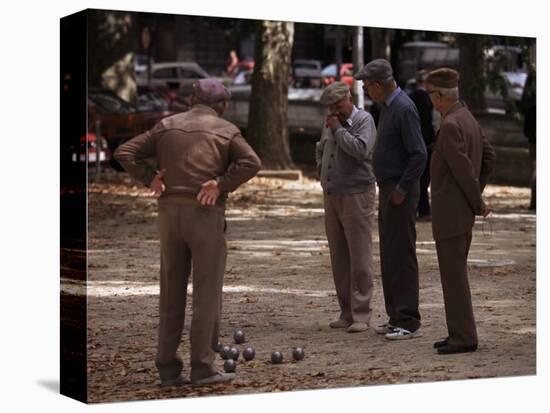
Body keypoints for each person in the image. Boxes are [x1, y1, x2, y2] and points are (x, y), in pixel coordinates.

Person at [114, 79, 261, 385]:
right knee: (206, 293)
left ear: (191, 100)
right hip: (204, 213)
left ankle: (167, 368)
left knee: (171, 291)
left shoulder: (166, 125)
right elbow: (251, 162)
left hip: (169, 215)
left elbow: (125, 152)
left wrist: (149, 178)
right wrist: (220, 183)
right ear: (222, 106)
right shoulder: (225, 129)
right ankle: (202, 367)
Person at [354, 59, 427, 340]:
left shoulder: (404, 108)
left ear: (378, 85)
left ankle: (408, 320)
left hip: (399, 191)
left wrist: (403, 188)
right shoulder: (388, 107)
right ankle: (396, 315)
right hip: (389, 188)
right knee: (390, 254)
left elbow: (419, 153)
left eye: (366, 86)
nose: (365, 90)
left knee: (402, 254)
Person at [426, 68, 496, 354]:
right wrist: (476, 194)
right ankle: (457, 332)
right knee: (454, 276)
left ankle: (464, 338)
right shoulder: (467, 118)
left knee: (454, 279)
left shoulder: (452, 124)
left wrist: (477, 202)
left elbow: (464, 171)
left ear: (440, 95)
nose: (430, 99)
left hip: (452, 214)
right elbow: (489, 157)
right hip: (459, 213)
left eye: (431, 94)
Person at [315, 82, 378, 333]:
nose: (334, 110)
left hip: (357, 193)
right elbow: (322, 149)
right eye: (331, 107)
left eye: (338, 105)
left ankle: (362, 313)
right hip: (333, 193)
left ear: (348, 99)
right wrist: (322, 171)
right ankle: (346, 311)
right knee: (339, 256)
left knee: (359, 255)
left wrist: (339, 129)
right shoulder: (331, 122)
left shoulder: (364, 120)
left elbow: (361, 149)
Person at [409, 69, 435, 221]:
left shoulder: (411, 97)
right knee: (424, 180)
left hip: (414, 141)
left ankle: (419, 208)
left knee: (418, 179)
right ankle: (423, 210)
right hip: (426, 142)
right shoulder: (427, 99)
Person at [520, 64, 536, 210]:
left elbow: (524, 105)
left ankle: (535, 201)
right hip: (533, 133)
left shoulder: (532, 78)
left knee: (535, 166)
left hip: (533, 132)